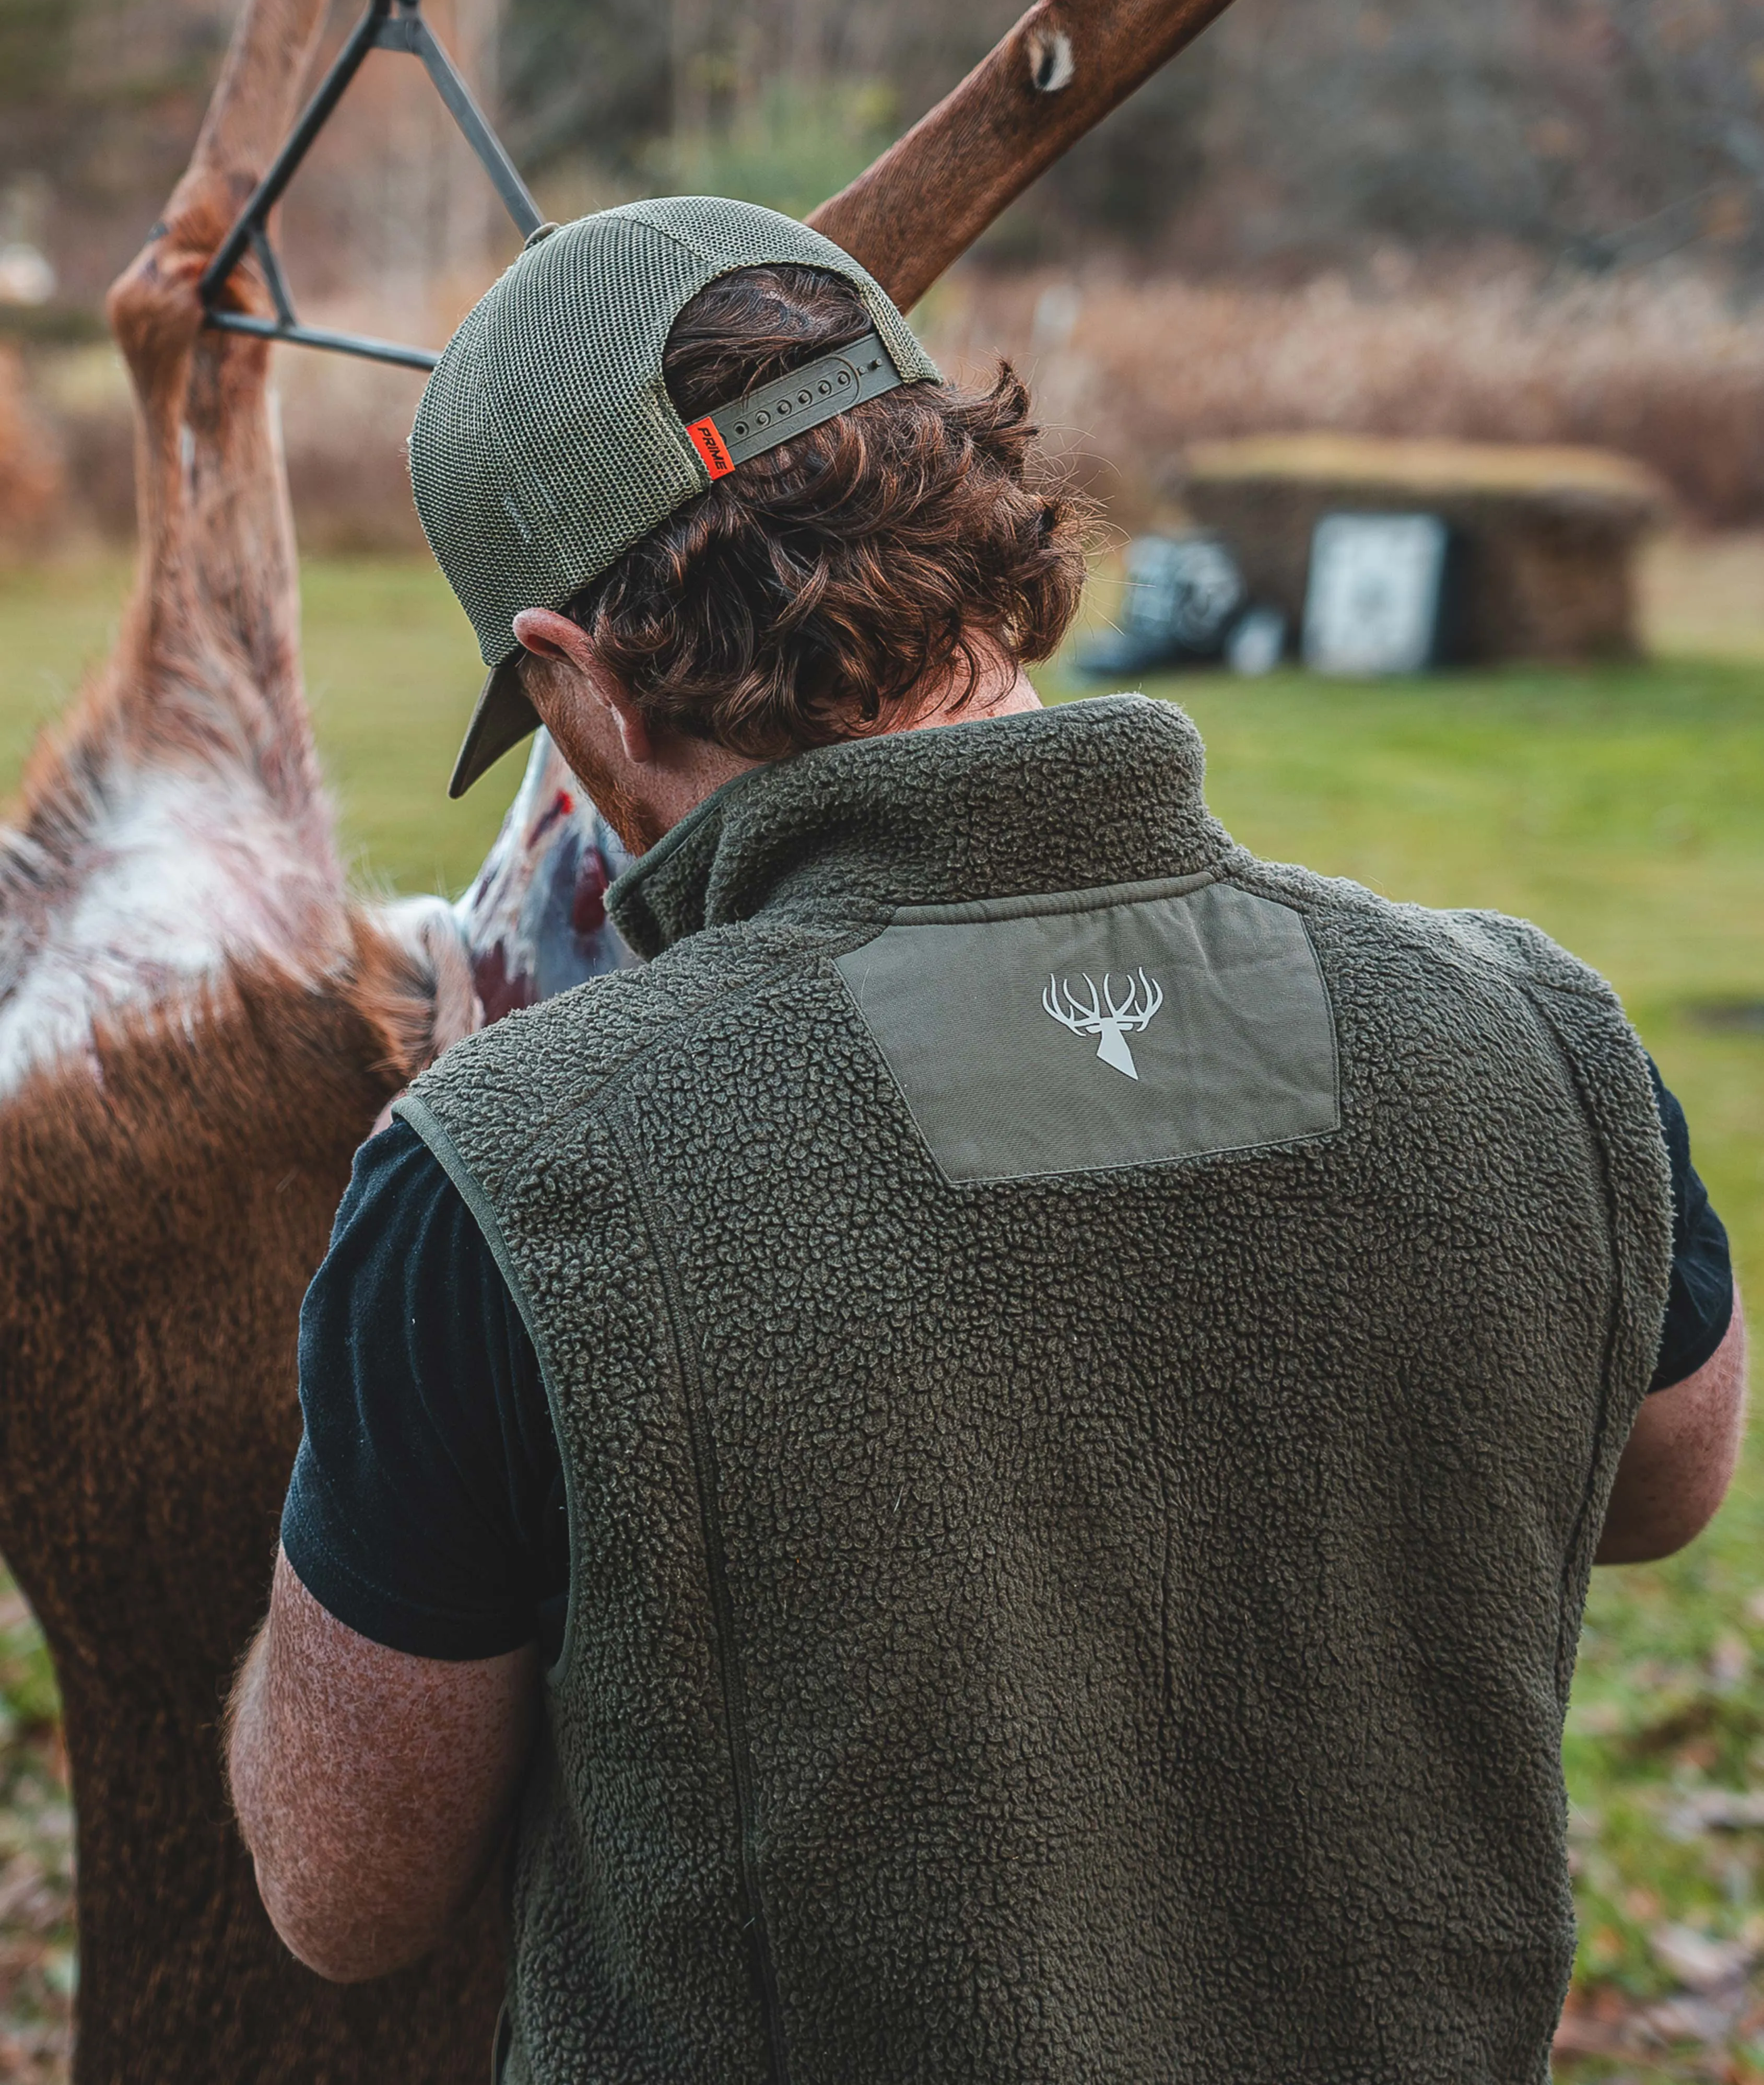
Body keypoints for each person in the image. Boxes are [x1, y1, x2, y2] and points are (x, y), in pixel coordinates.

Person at [227, 198, 1743, 2083]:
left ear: (577, 673)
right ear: (955, 501)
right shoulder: (1535, 1035)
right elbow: (1671, 1477)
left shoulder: (518, 1181)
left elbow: (338, 1884)